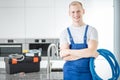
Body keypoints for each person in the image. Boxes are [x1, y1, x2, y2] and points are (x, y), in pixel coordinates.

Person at [60, 1, 99, 80]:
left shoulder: (92, 30)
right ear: (69, 13)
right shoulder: (64, 33)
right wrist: (87, 52)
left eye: (78, 11)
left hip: (88, 72)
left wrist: (69, 51)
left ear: (83, 11)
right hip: (69, 73)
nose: (76, 15)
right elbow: (64, 57)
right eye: (73, 12)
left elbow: (91, 51)